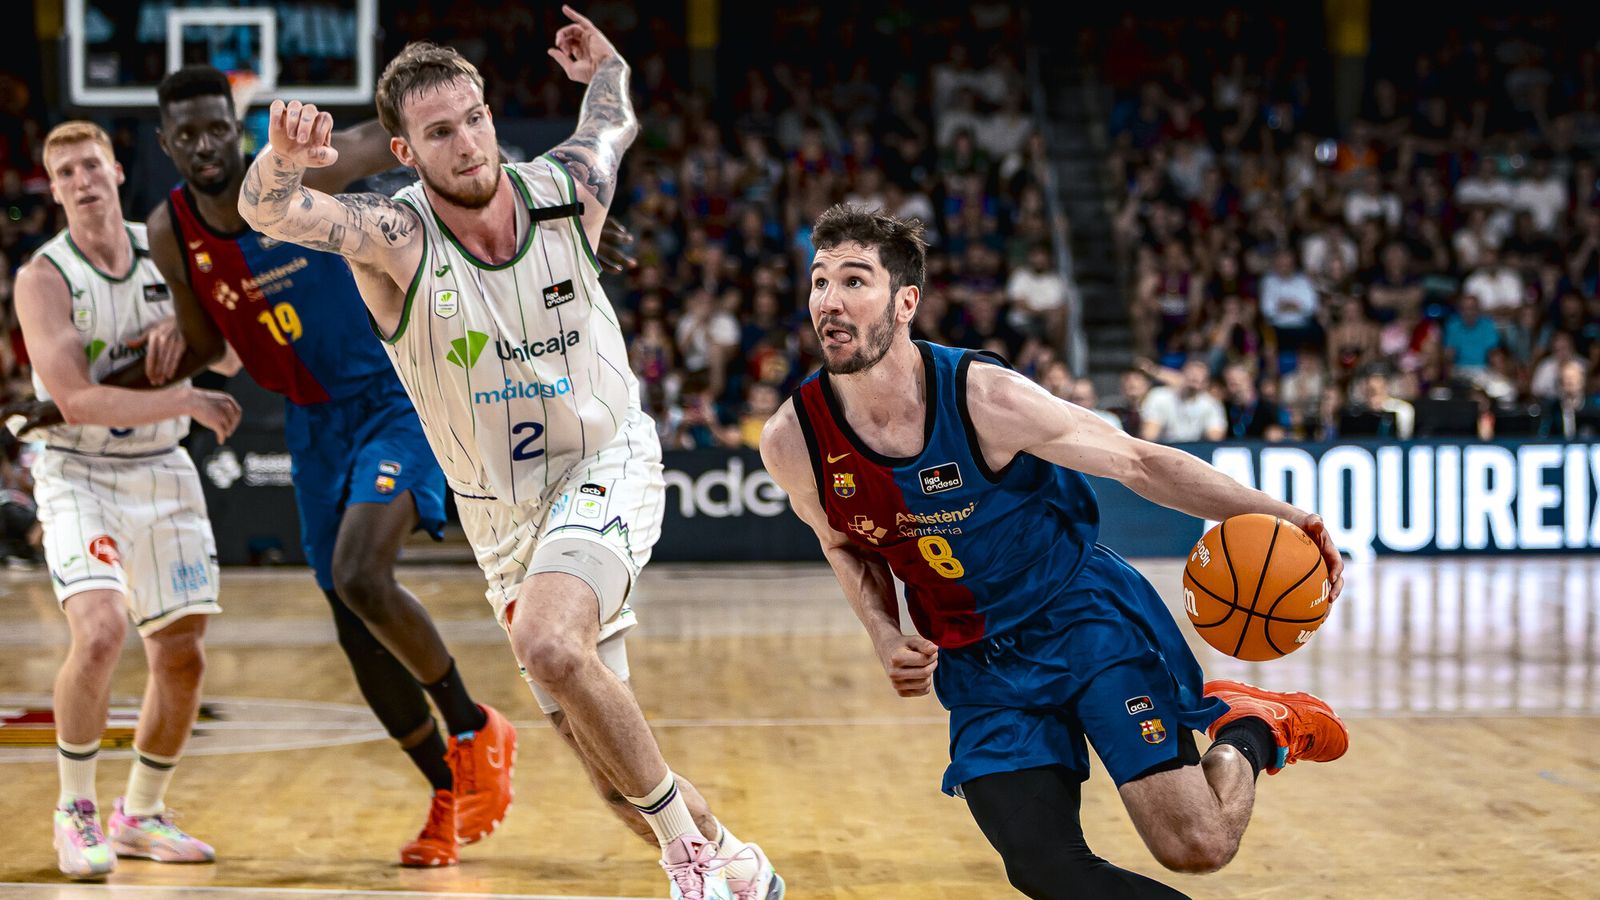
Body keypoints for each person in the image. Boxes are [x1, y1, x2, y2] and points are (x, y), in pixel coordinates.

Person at [236, 10, 781, 899]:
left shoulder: (565, 188)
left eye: (475, 117)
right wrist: (283, 157)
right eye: (440, 132)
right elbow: (266, 209)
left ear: (492, 113)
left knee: (547, 640)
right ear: (407, 153)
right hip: (503, 516)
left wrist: (608, 67)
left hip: (605, 463)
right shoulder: (395, 237)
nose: (467, 142)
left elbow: (611, 121)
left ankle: (689, 862)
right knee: (611, 775)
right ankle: (737, 865)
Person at [760, 204, 1349, 899]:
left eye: (854, 281)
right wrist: (885, 635)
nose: (829, 301)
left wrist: (1284, 514)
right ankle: (1244, 722)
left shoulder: (984, 396)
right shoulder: (793, 440)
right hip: (977, 657)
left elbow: (1138, 463)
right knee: (1041, 868)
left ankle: (1251, 729)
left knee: (1197, 846)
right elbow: (842, 545)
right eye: (819, 281)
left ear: (905, 301)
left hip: (1079, 617)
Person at [7, 66, 515, 867]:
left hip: (393, 392)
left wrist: (538, 219)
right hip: (311, 425)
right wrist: (140, 367)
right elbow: (208, 348)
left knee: (359, 573)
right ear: (167, 144)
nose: (207, 145)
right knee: (353, 625)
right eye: (190, 134)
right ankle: (447, 790)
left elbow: (415, 142)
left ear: (237, 129)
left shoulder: (295, 168)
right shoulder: (171, 230)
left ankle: (474, 725)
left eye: (220, 128)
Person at [14, 121, 242, 879]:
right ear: (55, 189)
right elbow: (74, 401)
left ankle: (141, 814)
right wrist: (191, 399)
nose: (81, 180)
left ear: (116, 171)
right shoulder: (44, 277)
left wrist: (183, 328)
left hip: (159, 469)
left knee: (181, 657)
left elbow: (234, 350)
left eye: (90, 165)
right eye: (65, 172)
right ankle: (74, 811)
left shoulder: (167, 255)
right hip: (78, 470)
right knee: (103, 627)